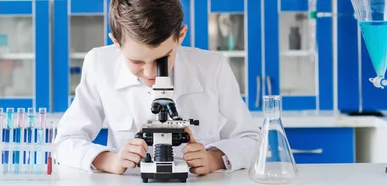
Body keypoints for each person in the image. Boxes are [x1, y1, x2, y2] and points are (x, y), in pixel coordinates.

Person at [53, 0, 260, 175]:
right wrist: (108, 160)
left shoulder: (212, 67)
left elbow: (251, 139)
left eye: (162, 59)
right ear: (116, 42)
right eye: (136, 61)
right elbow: (65, 142)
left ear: (181, 36)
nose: (151, 73)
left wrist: (214, 158)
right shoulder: (100, 64)